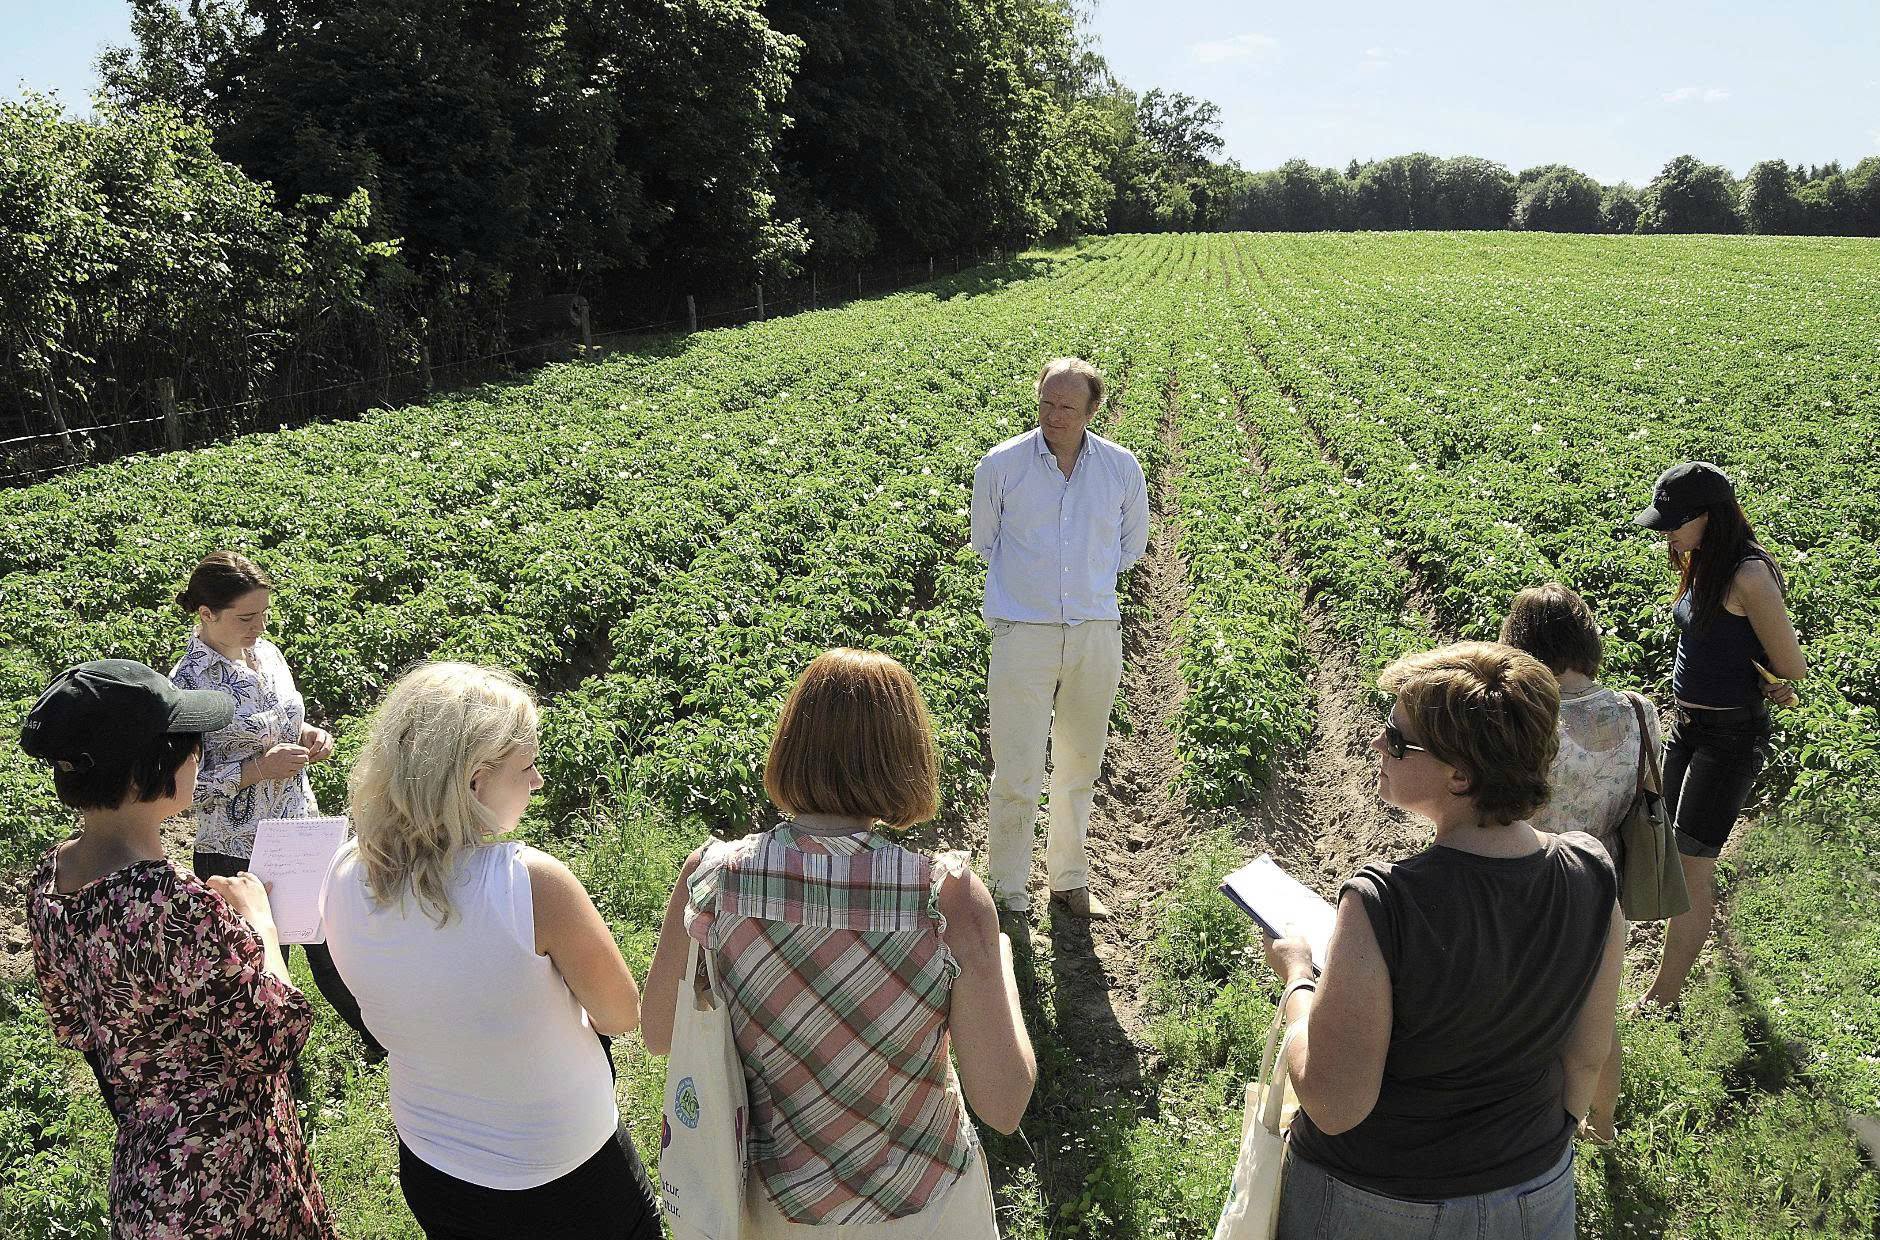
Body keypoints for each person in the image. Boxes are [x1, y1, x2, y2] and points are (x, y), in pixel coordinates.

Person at [642, 648, 1036, 1237]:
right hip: (922, 1210)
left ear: (791, 745)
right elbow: (1004, 1103)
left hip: (773, 1210)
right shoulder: (946, 897)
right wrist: (1001, 967)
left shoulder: (713, 880)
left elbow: (656, 1033)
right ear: (906, 757)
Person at [1264, 642, 1624, 1239]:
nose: (1377, 743)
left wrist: (1300, 980)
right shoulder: (1591, 874)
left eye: (1397, 739)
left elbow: (1332, 1104)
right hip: (1535, 1191)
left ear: (1460, 775)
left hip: (1377, 1201)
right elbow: (1587, 1055)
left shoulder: (1383, 903)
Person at [320, 662, 659, 1240]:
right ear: (475, 782)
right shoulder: (531, 885)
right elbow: (622, 1014)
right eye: (526, 767)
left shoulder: (345, 869)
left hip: (434, 1162)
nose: (538, 782)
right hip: (565, 1172)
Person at [21, 659, 334, 1239]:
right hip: (230, 1179)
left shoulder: (51, 880)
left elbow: (74, 1025)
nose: (199, 756)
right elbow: (275, 1039)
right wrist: (261, 925)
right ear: (146, 771)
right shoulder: (175, 906)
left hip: (147, 1172)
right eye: (190, 744)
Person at [168, 549, 382, 1056]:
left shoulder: (268, 654)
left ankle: (382, 1041)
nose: (259, 626)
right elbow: (179, 790)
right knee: (261, 964)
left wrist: (309, 735)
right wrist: (257, 770)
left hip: (297, 827)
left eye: (263, 614)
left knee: (334, 942)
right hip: (235, 847)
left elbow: (281, 721)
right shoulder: (186, 685)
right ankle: (269, 1065)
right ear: (207, 613)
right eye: (246, 617)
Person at [970, 356, 1149, 919]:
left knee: (1080, 765)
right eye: (1046, 403)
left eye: (1067, 406)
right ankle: (1008, 892)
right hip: (1023, 632)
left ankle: (1069, 882)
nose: (1054, 416)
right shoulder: (1001, 465)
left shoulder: (1120, 468)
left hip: (1094, 632)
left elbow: (1131, 547)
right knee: (1016, 769)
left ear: (1093, 410)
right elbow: (985, 541)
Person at [1632, 462, 1805, 1013]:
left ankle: (1663, 997)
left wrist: (1773, 681)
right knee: (1668, 843)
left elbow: (1791, 665)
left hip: (1728, 740)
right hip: (1687, 728)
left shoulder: (1748, 575)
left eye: (1674, 523)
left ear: (1711, 516)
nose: (1666, 533)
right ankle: (1692, 938)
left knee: (1690, 864)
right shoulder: (1701, 557)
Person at [1500, 582, 1659, 1143]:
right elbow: (1645, 791)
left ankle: (1529, 1123)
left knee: (1520, 1008)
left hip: (1527, 875)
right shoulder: (1638, 710)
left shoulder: (1525, 718)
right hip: (1601, 877)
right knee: (1597, 1011)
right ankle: (1602, 1125)